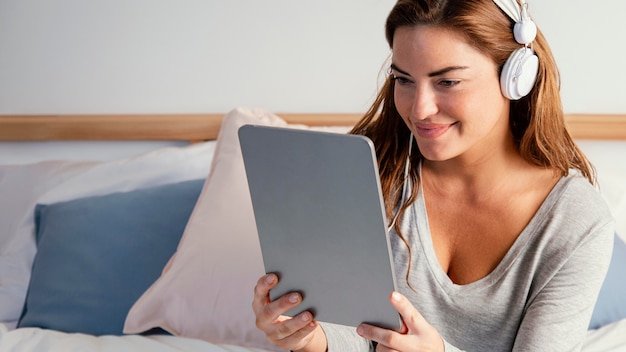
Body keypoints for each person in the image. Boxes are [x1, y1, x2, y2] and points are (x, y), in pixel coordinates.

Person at [252, 0, 615, 350]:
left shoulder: (574, 220)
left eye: (447, 82)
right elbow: (364, 336)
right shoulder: (376, 174)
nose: (420, 109)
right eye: (404, 79)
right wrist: (310, 338)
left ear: (515, 79)